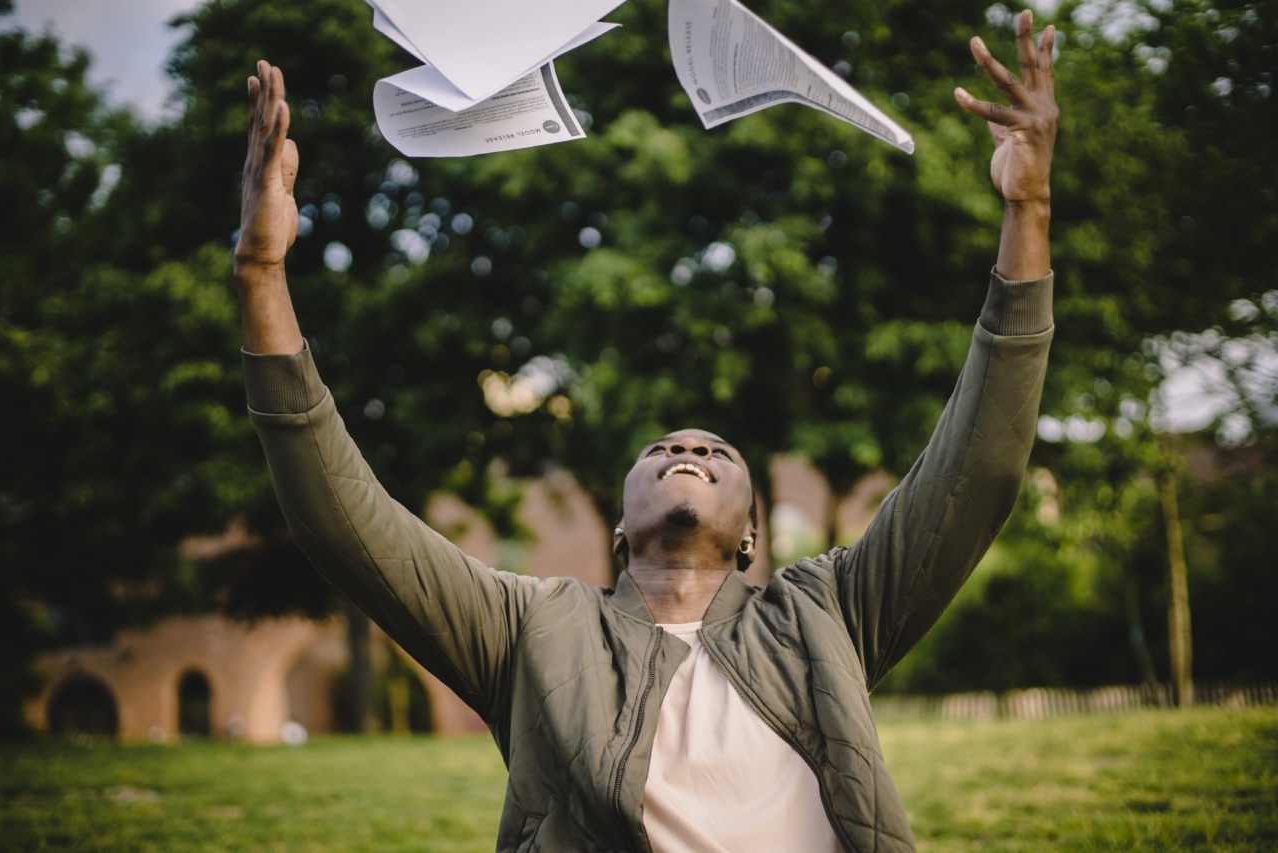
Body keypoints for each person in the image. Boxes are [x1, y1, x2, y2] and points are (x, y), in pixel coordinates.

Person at [234, 10, 1058, 852]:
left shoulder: (829, 614)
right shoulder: (533, 632)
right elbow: (341, 520)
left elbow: (978, 471)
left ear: (751, 535)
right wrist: (262, 275)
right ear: (620, 527)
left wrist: (1027, 210)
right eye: (663, 449)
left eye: (714, 450)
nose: (688, 448)